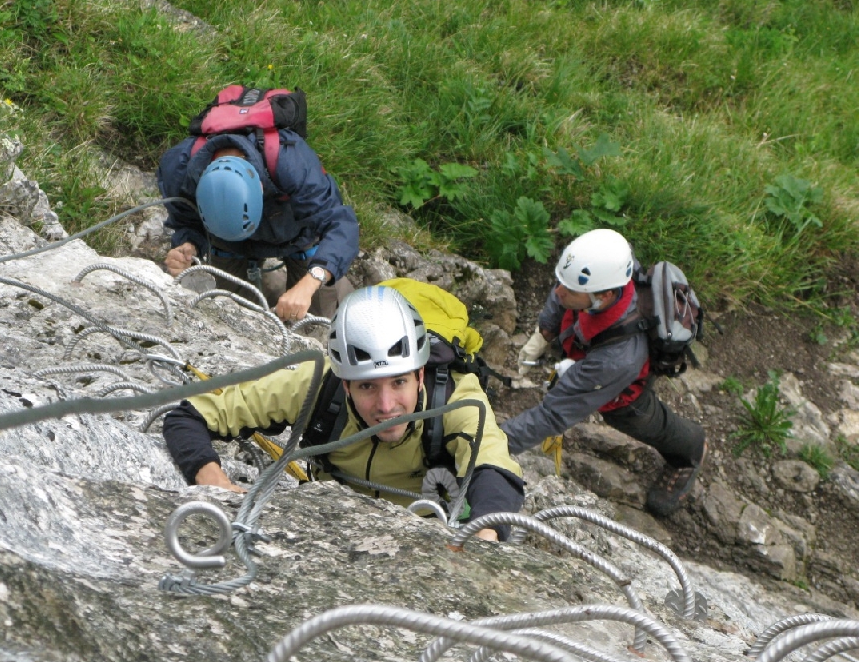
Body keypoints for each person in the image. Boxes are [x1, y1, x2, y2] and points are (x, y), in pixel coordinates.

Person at [162, 286, 526, 541]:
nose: (386, 407)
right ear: (346, 383)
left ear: (419, 375)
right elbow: (188, 416)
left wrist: (485, 533)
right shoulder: (319, 384)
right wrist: (214, 482)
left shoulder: (457, 396)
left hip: (426, 531)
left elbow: (493, 469)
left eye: (398, 383)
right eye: (367, 386)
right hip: (323, 523)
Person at [502, 229, 707, 517]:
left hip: (624, 394)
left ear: (605, 296)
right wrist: (546, 328)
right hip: (595, 352)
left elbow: (553, 415)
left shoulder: (617, 359)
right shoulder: (604, 270)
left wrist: (493, 444)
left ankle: (691, 451)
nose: (558, 293)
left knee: (644, 422)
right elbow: (563, 288)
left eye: (569, 291)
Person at [157, 127, 358, 322]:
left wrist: (311, 280)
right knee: (232, 318)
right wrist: (188, 245)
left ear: (260, 188)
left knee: (316, 316)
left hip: (297, 232)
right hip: (226, 244)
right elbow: (185, 220)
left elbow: (340, 224)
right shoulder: (180, 170)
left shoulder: (292, 163)